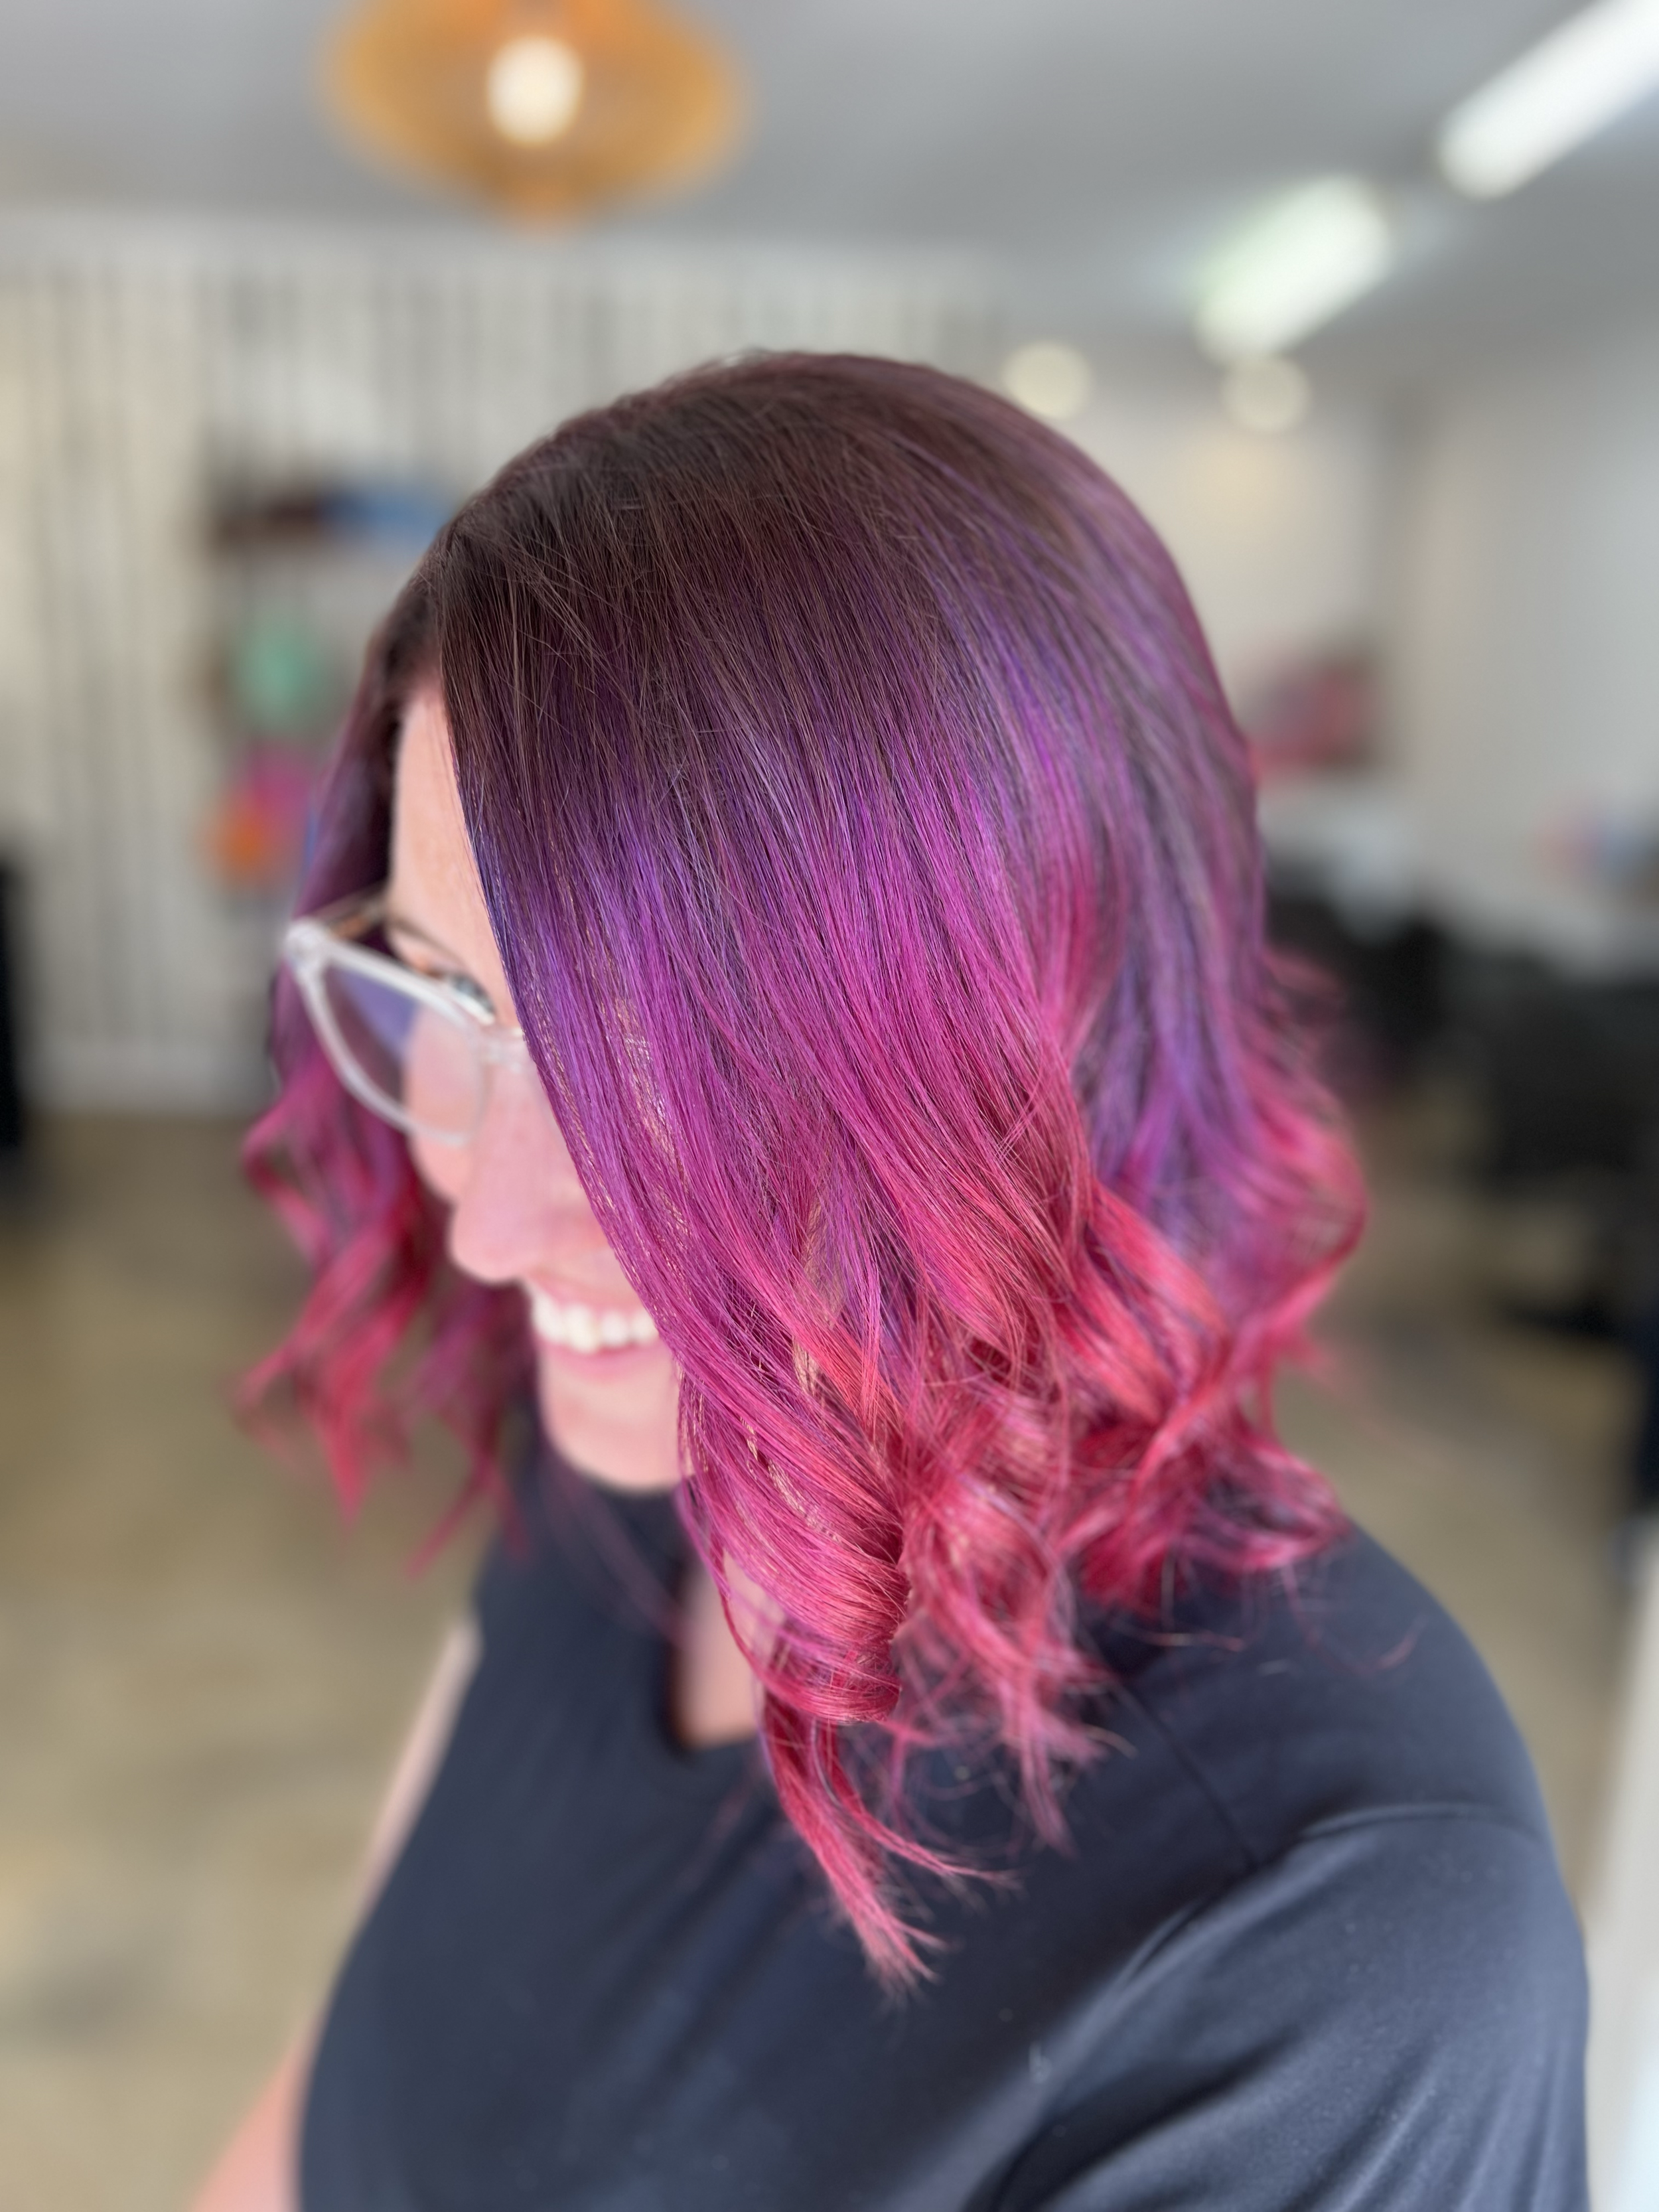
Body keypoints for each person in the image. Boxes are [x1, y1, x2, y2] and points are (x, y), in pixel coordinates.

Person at [194, 353, 1587, 2212]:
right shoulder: (626, 1465)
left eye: (664, 1074)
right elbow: (352, 2068)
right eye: (448, 999)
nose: (494, 1226)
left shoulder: (1330, 1937)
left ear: (1047, 1054)